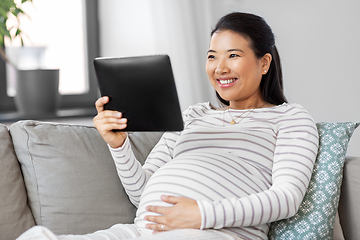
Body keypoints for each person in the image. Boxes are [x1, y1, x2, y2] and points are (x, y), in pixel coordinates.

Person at [17, 12, 319, 240]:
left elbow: (286, 198)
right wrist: (119, 145)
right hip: (142, 230)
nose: (220, 68)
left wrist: (200, 214)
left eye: (234, 56)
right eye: (212, 56)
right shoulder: (193, 116)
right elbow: (142, 191)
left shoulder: (290, 118)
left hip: (214, 232)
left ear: (264, 63)